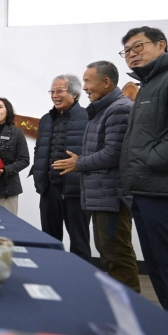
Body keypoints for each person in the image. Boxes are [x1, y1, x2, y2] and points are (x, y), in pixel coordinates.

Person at [53, 61, 140, 292]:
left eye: (88, 81)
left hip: (112, 195)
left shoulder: (119, 109)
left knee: (116, 254)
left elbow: (113, 153)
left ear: (106, 82)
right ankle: (118, 303)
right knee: (108, 252)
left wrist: (79, 162)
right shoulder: (102, 110)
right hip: (101, 194)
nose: (84, 87)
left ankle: (130, 306)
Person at [119, 26, 168, 315]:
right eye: (127, 51)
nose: (132, 54)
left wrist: (153, 159)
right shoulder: (148, 84)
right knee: (158, 270)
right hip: (144, 189)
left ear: (161, 45)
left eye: (138, 46)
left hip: (165, 191)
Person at [31, 74, 91, 261]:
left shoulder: (89, 117)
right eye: (52, 91)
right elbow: (39, 149)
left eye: (59, 91)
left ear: (74, 94)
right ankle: (51, 274)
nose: (54, 95)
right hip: (49, 189)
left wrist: (81, 162)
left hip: (76, 190)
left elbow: (96, 151)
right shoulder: (46, 119)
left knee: (79, 242)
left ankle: (80, 277)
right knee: (49, 240)